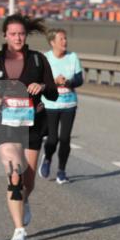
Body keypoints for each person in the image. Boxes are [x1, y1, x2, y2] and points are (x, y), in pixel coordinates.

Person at [0, 14, 58, 240]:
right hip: (4, 124)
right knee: (15, 174)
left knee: (28, 182)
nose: (18, 37)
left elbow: (53, 92)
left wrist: (41, 86)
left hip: (32, 123)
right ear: (5, 36)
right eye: (13, 34)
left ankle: (24, 200)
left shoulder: (38, 60)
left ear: (26, 35)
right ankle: (19, 230)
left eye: (21, 33)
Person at [39, 28, 83, 184]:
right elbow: (40, 82)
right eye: (61, 39)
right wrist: (54, 82)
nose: (65, 42)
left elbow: (80, 79)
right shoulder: (45, 58)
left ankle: (61, 171)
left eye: (65, 38)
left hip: (69, 103)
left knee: (65, 138)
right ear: (52, 42)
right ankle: (48, 158)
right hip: (50, 104)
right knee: (52, 139)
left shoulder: (73, 57)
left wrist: (70, 82)